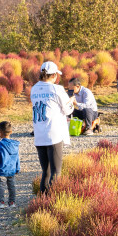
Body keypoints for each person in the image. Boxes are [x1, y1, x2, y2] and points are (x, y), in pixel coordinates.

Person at [30, 61, 74, 194]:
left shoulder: (34, 89)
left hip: (39, 134)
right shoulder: (57, 89)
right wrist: (71, 102)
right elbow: (68, 110)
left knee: (46, 171)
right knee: (56, 171)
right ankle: (53, 200)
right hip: (53, 134)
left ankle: (43, 200)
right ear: (54, 75)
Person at [0, 121, 20, 208]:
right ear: (10, 132)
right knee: (11, 186)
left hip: (2, 170)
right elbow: (17, 157)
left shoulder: (0, 144)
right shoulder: (15, 145)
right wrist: (17, 168)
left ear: (0, 133)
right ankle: (12, 202)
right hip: (11, 170)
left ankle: (1, 202)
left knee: (1, 187)